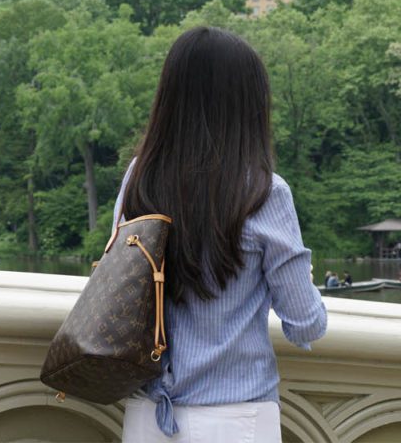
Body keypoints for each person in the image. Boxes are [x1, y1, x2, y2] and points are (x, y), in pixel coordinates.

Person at [115, 27, 326, 443]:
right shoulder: (265, 192)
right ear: (247, 106)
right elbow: (305, 324)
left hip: (147, 416)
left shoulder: (139, 179)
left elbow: (121, 284)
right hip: (237, 420)